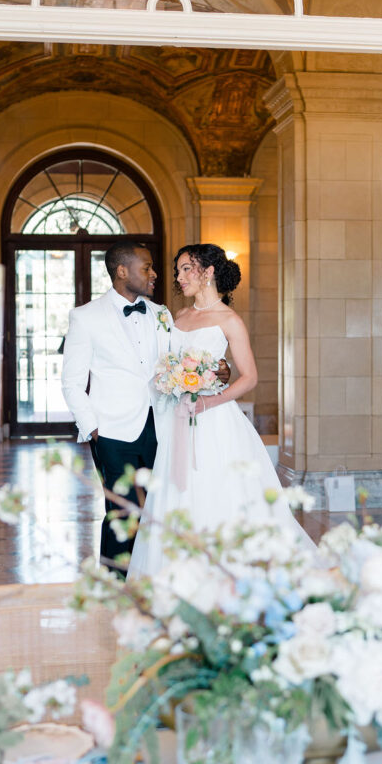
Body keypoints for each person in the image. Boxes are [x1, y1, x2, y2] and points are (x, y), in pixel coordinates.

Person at [128, 243, 314, 580]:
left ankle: (229, 577)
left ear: (209, 271)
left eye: (187, 269)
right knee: (178, 494)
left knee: (217, 492)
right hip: (177, 421)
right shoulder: (177, 317)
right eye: (178, 270)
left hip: (216, 421)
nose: (179, 277)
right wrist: (170, 379)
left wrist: (210, 400)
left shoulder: (230, 320)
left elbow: (251, 377)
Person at [61, 240, 229, 572]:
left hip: (166, 426)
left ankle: (157, 578)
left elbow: (183, 361)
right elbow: (71, 381)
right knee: (122, 512)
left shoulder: (161, 313)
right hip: (113, 430)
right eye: (147, 267)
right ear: (122, 271)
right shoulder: (85, 317)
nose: (154, 274)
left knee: (163, 507)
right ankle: (115, 584)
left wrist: (218, 370)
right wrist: (92, 428)